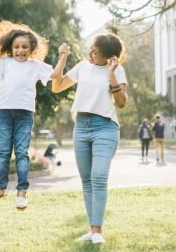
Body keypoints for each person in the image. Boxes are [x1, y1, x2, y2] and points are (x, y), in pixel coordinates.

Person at [51, 33, 127, 245]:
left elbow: (121, 102)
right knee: (87, 181)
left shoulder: (117, 70)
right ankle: (93, 230)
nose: (90, 53)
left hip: (106, 127)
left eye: (95, 51)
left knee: (99, 176)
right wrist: (63, 58)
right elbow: (56, 87)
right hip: (82, 127)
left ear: (109, 57)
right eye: (91, 49)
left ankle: (97, 232)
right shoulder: (83, 66)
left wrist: (111, 74)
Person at [0, 20, 67, 210]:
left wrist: (63, 56)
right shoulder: (5, 62)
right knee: (4, 153)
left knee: (21, 152)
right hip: (4, 112)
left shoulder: (35, 65)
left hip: (25, 114)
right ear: (10, 48)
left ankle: (22, 193)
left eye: (25, 47)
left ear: (32, 49)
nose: (20, 50)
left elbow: (54, 74)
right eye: (17, 47)